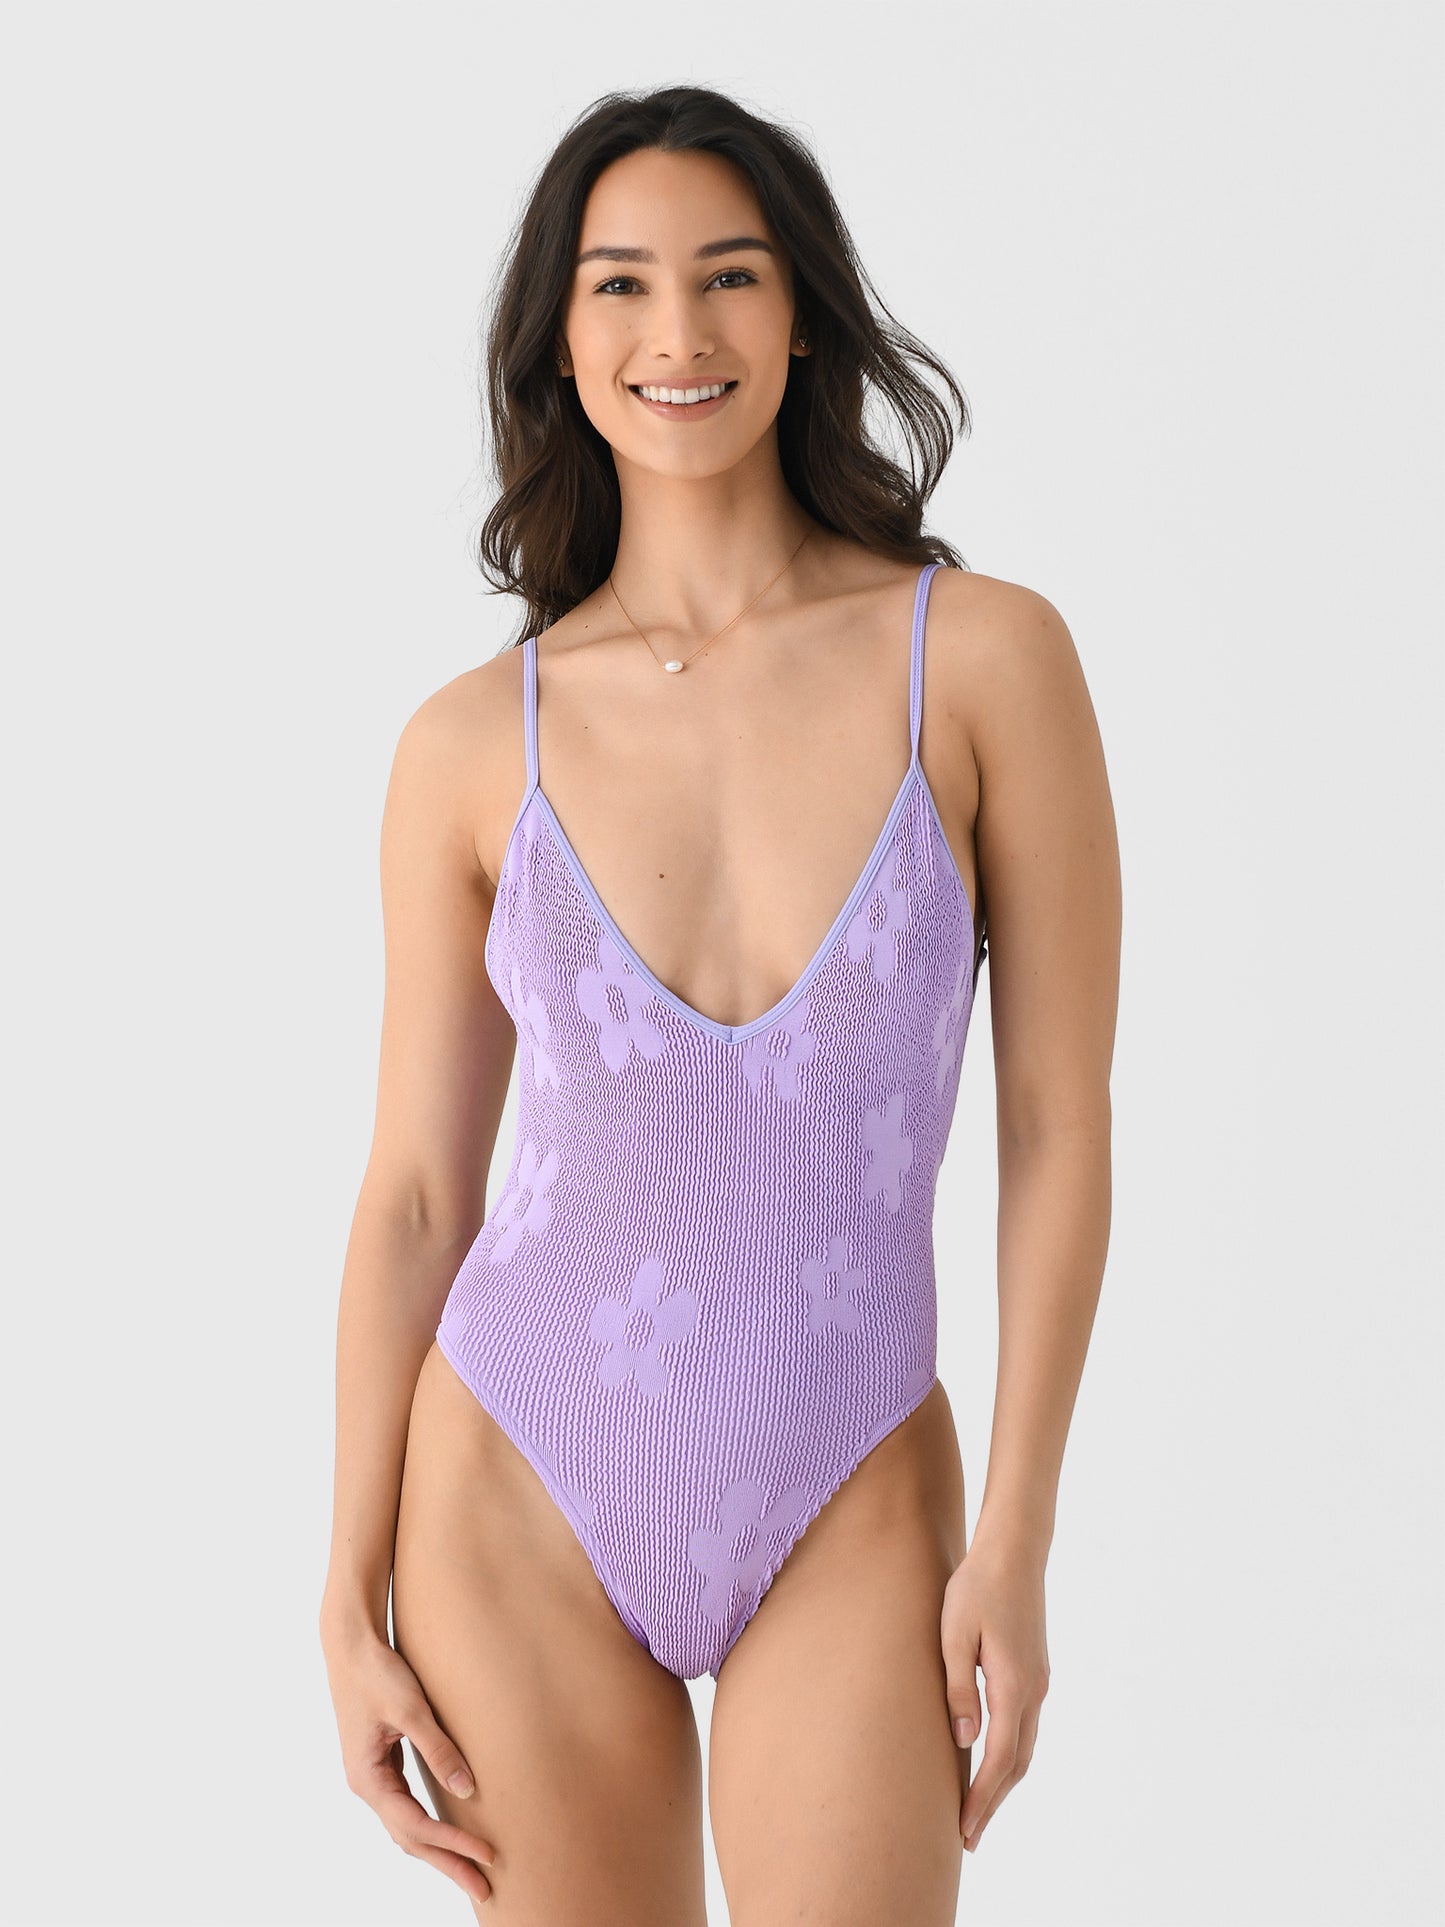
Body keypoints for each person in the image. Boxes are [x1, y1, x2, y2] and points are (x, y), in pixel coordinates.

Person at [320, 83, 1119, 1924]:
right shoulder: (471, 746)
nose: (675, 332)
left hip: (854, 1481)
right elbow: (419, 1195)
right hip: (513, 1484)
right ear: (559, 338)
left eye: (728, 276)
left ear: (802, 314)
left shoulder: (980, 662)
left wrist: (1017, 1535)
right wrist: (345, 1596)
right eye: (619, 284)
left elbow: (1057, 1124)